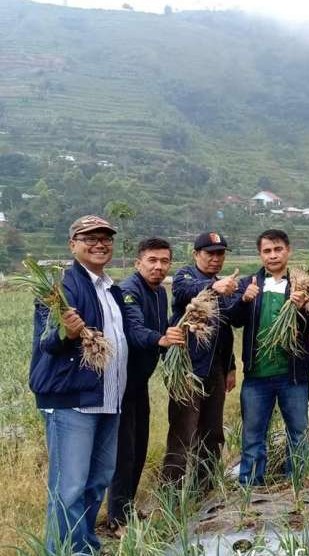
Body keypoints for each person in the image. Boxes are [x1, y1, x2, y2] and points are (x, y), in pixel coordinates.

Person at [28, 215, 129, 553]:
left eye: (105, 238)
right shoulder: (62, 286)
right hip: (72, 401)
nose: (99, 243)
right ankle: (63, 550)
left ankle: (83, 545)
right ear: (73, 245)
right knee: (69, 487)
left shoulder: (111, 288)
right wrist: (65, 333)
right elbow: (48, 340)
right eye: (89, 237)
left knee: (97, 481)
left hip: (108, 399)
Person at [232, 230, 309, 486]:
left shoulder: (304, 285)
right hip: (256, 376)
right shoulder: (249, 283)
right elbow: (233, 319)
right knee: (253, 436)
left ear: (288, 251)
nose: (273, 255)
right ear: (260, 254)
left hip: (293, 375)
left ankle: (296, 484)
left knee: (297, 433)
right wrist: (243, 300)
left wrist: (304, 307)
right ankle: (251, 488)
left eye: (277, 249)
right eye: (267, 251)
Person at [106, 238, 184, 531]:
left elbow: (161, 328)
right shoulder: (128, 291)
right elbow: (135, 332)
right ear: (139, 263)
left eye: (164, 261)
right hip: (122, 385)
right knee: (124, 451)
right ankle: (116, 518)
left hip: (139, 384)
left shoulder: (159, 292)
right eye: (152, 260)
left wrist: (175, 338)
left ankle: (125, 509)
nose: (158, 266)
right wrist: (161, 339)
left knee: (139, 447)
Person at [161, 231, 240, 487]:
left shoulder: (223, 285)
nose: (216, 259)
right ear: (197, 255)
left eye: (220, 254)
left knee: (213, 433)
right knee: (183, 433)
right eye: (210, 253)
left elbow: (226, 330)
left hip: (214, 369)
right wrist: (213, 287)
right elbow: (184, 291)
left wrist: (230, 367)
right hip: (187, 368)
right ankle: (172, 494)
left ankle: (203, 490)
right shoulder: (186, 276)